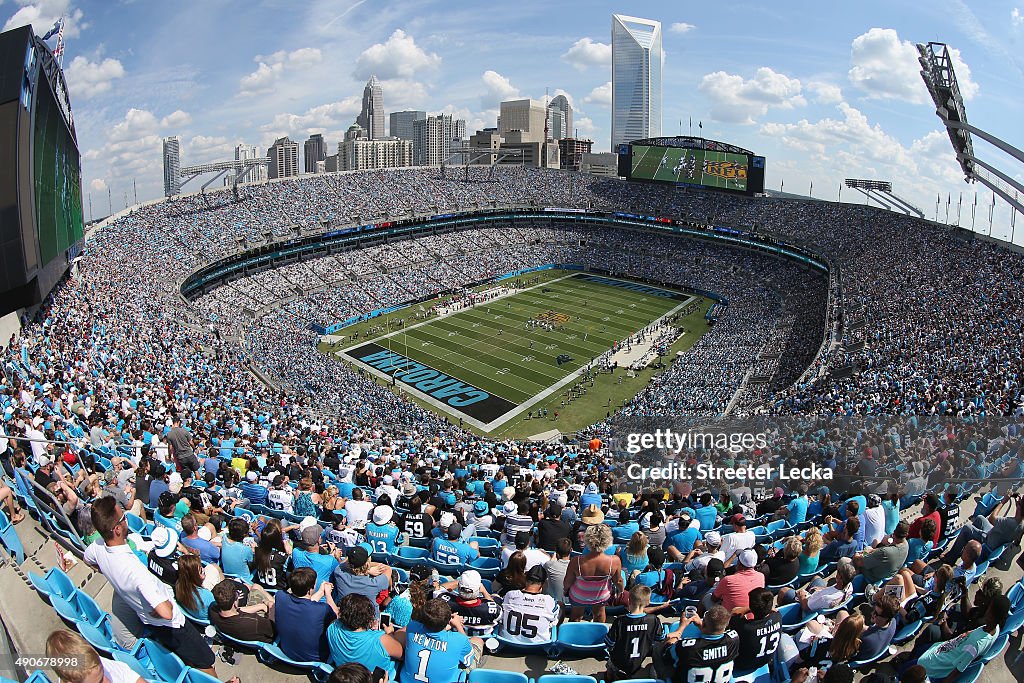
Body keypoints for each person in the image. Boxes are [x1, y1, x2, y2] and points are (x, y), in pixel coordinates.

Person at [83, 497, 218, 676]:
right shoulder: (135, 570)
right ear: (116, 529)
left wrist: (109, 572)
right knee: (206, 661)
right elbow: (166, 613)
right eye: (123, 517)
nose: (126, 520)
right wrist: (164, 605)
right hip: (173, 625)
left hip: (150, 621)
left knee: (184, 657)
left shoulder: (98, 547)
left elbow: (87, 559)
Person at [401, 599, 482, 682]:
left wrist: (448, 624)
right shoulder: (459, 640)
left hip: (407, 681)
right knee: (477, 640)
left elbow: (431, 630)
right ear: (448, 619)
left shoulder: (412, 627)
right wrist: (458, 625)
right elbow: (468, 661)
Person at [326, 593, 404, 679]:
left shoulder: (332, 628)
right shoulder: (381, 640)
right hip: (377, 678)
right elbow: (403, 656)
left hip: (346, 676)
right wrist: (390, 634)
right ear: (369, 619)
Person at [659, 605, 739, 683]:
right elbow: (715, 635)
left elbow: (666, 651)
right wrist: (702, 625)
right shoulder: (734, 639)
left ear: (704, 623)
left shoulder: (688, 647)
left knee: (658, 648)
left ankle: (658, 674)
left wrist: (680, 629)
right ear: (726, 625)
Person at [274, 567, 338, 662]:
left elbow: (304, 603)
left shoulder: (280, 596)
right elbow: (335, 615)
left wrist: (320, 592)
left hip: (287, 651)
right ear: (310, 589)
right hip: (314, 658)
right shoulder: (322, 609)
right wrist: (328, 594)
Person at [564, 523, 623, 623]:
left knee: (576, 616)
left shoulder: (576, 561)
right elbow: (618, 581)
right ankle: (599, 634)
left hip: (579, 595)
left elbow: (567, 582)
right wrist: (621, 591)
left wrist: (566, 591)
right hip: (601, 596)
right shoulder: (614, 561)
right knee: (599, 614)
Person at [942, 492, 1024, 564]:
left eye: (1019, 503)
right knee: (980, 518)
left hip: (988, 542)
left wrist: (1003, 502)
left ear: (1019, 508)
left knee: (967, 528)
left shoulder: (1009, 523)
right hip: (996, 537)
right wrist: (1018, 502)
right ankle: (966, 549)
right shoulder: (1021, 524)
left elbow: (991, 518)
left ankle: (950, 558)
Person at [605, 585, 664, 682]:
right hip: (639, 660)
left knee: (610, 664)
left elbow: (609, 643)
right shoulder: (653, 620)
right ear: (648, 603)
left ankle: (609, 677)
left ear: (629, 601)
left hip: (619, 663)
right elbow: (660, 639)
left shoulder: (620, 621)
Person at [45, 629, 146, 683]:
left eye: (103, 675)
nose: (107, 681)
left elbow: (129, 676)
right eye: (99, 682)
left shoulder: (91, 664)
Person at [499, 564, 559, 644]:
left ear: (526, 579)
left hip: (509, 643)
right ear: (544, 583)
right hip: (538, 646)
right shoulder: (548, 600)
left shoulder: (510, 595)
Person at [729, 587, 782, 674]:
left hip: (742, 665)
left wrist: (749, 609)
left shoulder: (745, 627)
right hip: (766, 660)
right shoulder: (778, 617)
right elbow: (774, 611)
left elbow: (734, 612)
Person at [209, 578, 275, 643]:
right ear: (234, 603)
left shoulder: (212, 611)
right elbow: (273, 630)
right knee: (271, 603)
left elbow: (237, 611)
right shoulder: (255, 621)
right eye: (238, 594)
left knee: (255, 587)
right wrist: (271, 606)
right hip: (269, 634)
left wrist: (261, 606)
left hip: (244, 633)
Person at [438, 570, 502, 636]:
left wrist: (460, 583)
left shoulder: (445, 603)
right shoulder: (493, 609)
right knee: (496, 596)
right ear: (479, 588)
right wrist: (484, 591)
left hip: (454, 639)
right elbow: (493, 606)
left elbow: (437, 590)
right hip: (481, 641)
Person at [174, 554, 216, 621]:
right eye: (200, 570)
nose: (203, 569)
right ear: (195, 574)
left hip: (196, 614)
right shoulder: (207, 596)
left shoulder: (178, 586)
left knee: (211, 567)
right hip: (209, 618)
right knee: (214, 568)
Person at [253, 519, 291, 591]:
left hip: (262, 587)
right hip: (279, 590)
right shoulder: (283, 557)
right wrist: (290, 554)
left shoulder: (257, 551)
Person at [543, 538, 572, 604]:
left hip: (554, 603)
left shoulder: (549, 565)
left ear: (555, 550)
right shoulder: (577, 566)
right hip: (572, 604)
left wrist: (552, 560)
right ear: (571, 550)